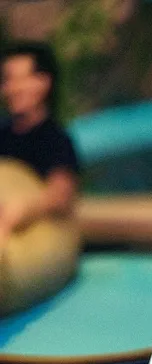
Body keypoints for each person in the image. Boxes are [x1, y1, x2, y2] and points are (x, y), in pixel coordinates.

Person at [0, 41, 80, 245]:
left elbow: (61, 193)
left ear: (44, 82)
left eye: (22, 79)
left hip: (33, 243)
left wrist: (25, 208)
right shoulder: (3, 134)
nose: (13, 89)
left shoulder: (55, 139)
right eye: (7, 80)